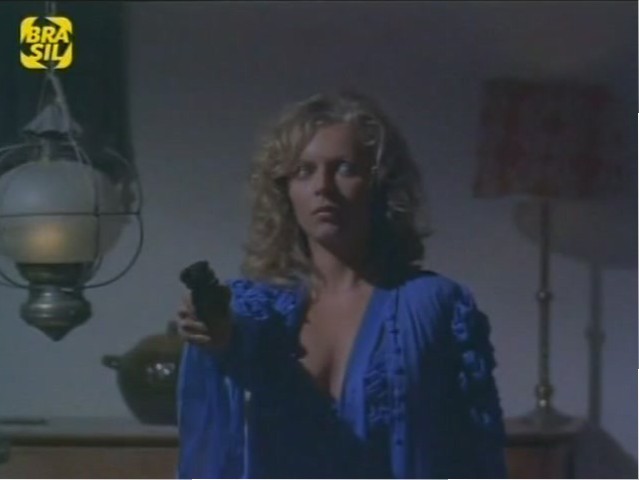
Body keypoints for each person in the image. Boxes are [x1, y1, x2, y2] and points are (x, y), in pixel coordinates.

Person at [175, 91, 507, 479]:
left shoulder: (436, 306)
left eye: (345, 168)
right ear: (284, 190)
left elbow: (476, 453)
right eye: (304, 171)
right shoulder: (256, 307)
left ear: (380, 183)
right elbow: (238, 346)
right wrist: (214, 333)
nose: (323, 187)